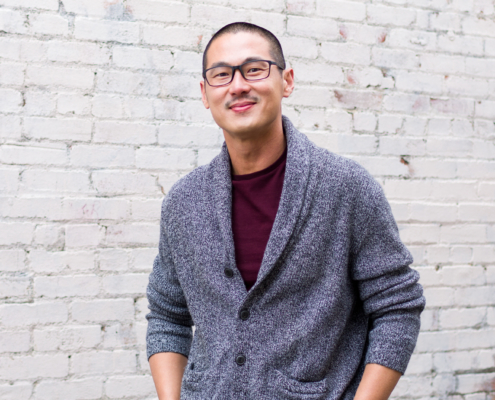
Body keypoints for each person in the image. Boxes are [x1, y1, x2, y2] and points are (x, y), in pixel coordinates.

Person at [146, 22, 425, 400]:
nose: (238, 85)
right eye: (221, 74)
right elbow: (167, 316)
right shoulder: (183, 202)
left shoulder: (344, 187)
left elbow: (397, 307)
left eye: (255, 69)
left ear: (287, 81)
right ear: (204, 92)